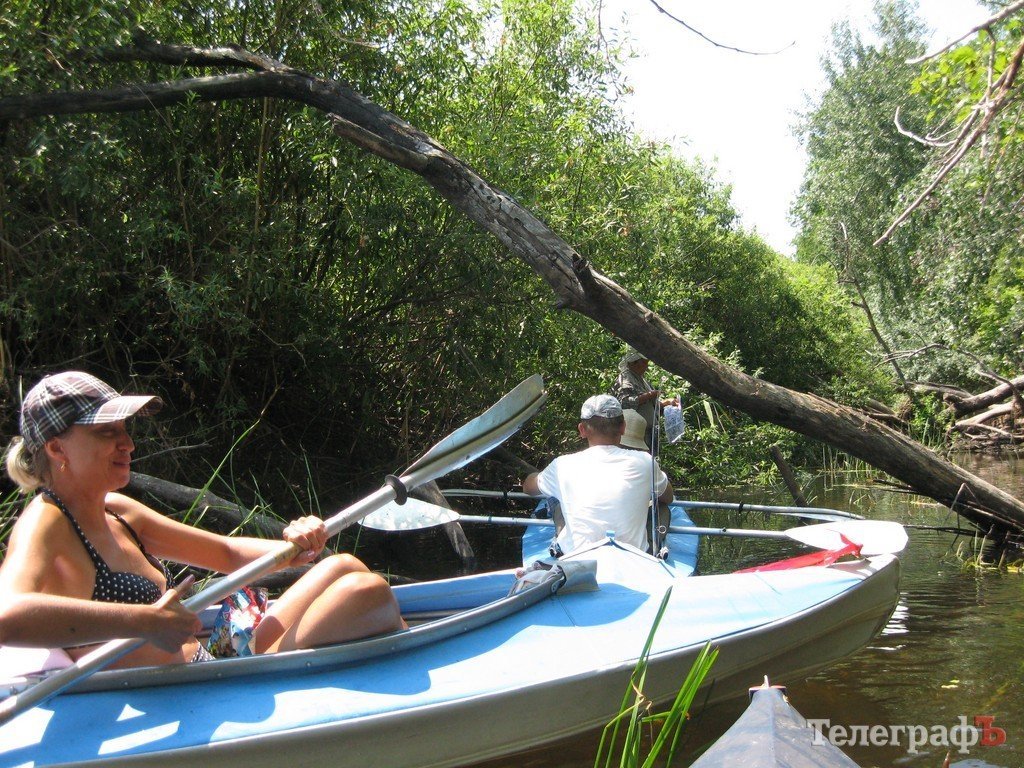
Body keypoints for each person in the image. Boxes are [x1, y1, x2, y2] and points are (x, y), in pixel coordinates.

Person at [0, 371, 405, 668]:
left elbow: (226, 552)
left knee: (342, 565)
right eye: (106, 432)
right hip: (195, 687)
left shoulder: (117, 511)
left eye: (124, 429)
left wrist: (294, 546)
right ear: (57, 448)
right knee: (366, 592)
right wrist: (143, 621)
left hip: (213, 658)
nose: (128, 443)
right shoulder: (46, 522)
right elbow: (7, 616)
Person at [522, 394, 673, 554]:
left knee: (557, 503)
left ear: (582, 430)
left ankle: (560, 544)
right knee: (663, 508)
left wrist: (539, 476)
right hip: (632, 558)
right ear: (623, 427)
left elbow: (527, 488)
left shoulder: (562, 465)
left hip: (577, 557)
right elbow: (668, 497)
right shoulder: (645, 461)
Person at [611, 349, 679, 449]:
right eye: (644, 363)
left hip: (649, 432)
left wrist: (667, 403)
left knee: (650, 461)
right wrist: (650, 395)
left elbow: (650, 405)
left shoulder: (642, 379)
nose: (646, 367)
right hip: (634, 434)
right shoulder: (626, 378)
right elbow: (625, 403)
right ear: (635, 363)